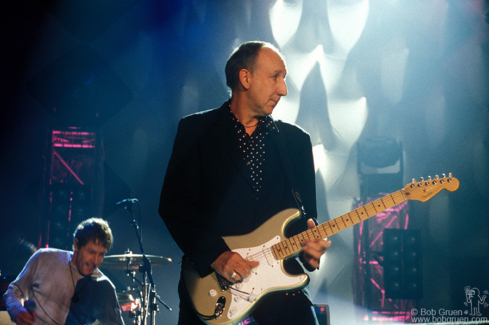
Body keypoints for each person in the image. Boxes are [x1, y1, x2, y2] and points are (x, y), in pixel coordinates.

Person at [159, 41, 331, 324]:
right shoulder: (195, 131)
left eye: (284, 79)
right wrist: (216, 255)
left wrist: (310, 247)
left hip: (279, 288)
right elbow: (174, 205)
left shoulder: (296, 142)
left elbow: (304, 218)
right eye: (275, 77)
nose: (283, 89)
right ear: (245, 77)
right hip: (213, 286)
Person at [3, 218, 125, 325]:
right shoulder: (44, 258)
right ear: (76, 245)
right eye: (91, 252)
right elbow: (13, 291)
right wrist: (17, 310)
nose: (95, 260)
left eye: (101, 254)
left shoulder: (104, 287)